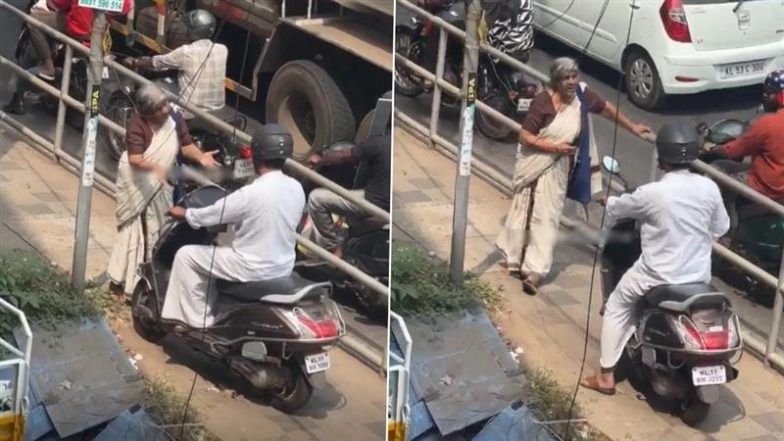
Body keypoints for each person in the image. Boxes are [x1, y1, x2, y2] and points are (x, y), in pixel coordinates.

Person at [580, 123, 730, 395]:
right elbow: (721, 228)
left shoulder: (652, 193)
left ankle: (605, 377)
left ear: (662, 158)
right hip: (698, 277)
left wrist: (607, 201)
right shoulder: (709, 187)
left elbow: (618, 207)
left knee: (617, 305)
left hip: (656, 275)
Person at [495, 57, 652, 295]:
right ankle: (516, 259)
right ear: (556, 81)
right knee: (524, 210)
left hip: (558, 170)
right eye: (566, 78)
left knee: (547, 217)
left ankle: (536, 271)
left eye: (574, 76)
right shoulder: (542, 103)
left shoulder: (582, 96)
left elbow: (607, 108)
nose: (571, 82)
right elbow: (526, 137)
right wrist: (554, 147)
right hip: (534, 163)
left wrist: (633, 127)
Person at [161, 124, 306, 332]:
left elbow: (215, 213)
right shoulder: (297, 188)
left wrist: (186, 213)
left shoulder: (251, 193)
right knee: (218, 254)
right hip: (282, 265)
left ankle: (197, 322)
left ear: (256, 156)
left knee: (186, 255)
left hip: (250, 266)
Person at [106, 84, 219, 300]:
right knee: (136, 230)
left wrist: (201, 156)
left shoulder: (174, 119)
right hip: (137, 182)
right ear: (148, 112)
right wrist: (156, 167)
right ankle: (127, 282)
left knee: (158, 230)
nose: (166, 109)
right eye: (160, 107)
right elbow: (135, 159)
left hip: (161, 186)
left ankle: (143, 283)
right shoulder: (137, 124)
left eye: (166, 103)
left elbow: (186, 146)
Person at [3, 0, 131, 113]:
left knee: (33, 22)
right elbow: (126, 6)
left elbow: (59, 3)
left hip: (76, 29)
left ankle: (43, 71)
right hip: (97, 37)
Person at [703, 69, 784, 225]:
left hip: (767, 186)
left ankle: (725, 231)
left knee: (717, 171)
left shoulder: (768, 124)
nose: (765, 97)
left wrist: (713, 148)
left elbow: (734, 151)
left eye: (769, 93)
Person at [123, 9, 228, 121]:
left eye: (187, 28)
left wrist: (135, 62)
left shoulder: (186, 52)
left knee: (152, 88)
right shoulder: (222, 49)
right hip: (217, 109)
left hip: (190, 110)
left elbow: (158, 62)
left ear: (192, 31)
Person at [306, 133, 391, 258]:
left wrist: (322, 160)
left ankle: (333, 250)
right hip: (384, 204)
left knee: (316, 199)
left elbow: (344, 156)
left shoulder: (379, 142)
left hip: (373, 202)